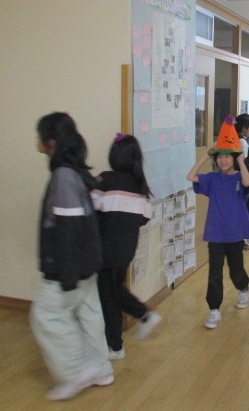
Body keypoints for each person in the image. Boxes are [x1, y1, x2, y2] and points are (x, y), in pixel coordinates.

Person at [31, 112, 114, 401]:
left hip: (69, 267)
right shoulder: (76, 172)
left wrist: (67, 276)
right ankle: (101, 369)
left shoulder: (64, 176)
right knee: (89, 313)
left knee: (46, 315)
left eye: (39, 137)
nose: (36, 142)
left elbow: (68, 229)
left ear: (51, 142)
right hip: (86, 263)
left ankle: (73, 372)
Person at [91, 134, 161, 361]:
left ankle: (116, 346)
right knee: (115, 288)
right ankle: (143, 316)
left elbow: (90, 206)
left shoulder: (105, 180)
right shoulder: (140, 186)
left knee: (108, 297)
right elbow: (144, 217)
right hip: (127, 249)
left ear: (114, 156)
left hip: (106, 250)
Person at [186, 116, 249, 329]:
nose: (223, 160)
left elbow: (248, 182)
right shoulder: (212, 178)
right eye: (220, 157)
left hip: (234, 233)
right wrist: (205, 156)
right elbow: (191, 177)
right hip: (215, 233)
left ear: (234, 158)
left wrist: (241, 160)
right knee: (214, 272)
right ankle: (214, 310)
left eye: (227, 157)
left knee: (236, 270)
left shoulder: (239, 178)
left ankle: (244, 287)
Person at [234, 113, 249, 250]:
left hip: (235, 179)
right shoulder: (242, 142)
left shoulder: (232, 138)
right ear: (244, 128)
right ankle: (242, 237)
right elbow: (242, 162)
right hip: (243, 180)